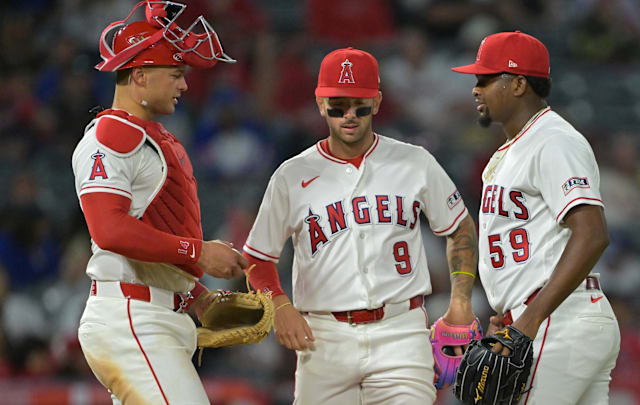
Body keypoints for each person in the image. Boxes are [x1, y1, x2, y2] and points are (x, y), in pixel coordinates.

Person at [241, 47, 478, 404]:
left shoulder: (414, 162)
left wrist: (460, 300)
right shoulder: (292, 175)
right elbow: (257, 256)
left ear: (378, 102)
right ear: (320, 103)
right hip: (323, 337)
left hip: (401, 330)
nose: (349, 116)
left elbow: (460, 229)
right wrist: (280, 306)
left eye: (360, 105)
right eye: (337, 106)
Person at [71, 1, 246, 404]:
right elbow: (109, 230)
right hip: (132, 318)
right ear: (140, 76)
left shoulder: (148, 137)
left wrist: (196, 294)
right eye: (175, 74)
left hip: (155, 316)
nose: (184, 85)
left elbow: (150, 231)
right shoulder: (109, 136)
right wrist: (198, 252)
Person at [451, 31, 621, 404]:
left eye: (485, 79)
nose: (476, 89)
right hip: (552, 318)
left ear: (518, 84)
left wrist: (529, 319)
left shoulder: (553, 140)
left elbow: (592, 233)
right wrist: (512, 313)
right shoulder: (514, 149)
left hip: (557, 320)